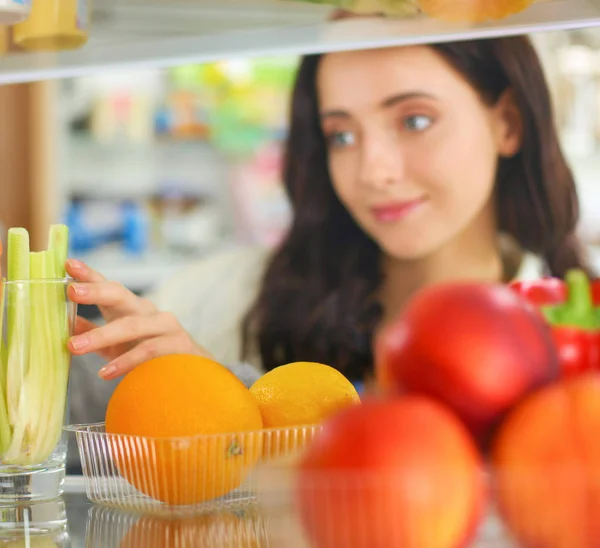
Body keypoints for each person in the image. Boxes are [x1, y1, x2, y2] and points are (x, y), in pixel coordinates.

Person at [67, 36, 590, 432]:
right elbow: (70, 414)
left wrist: (232, 405)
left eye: (414, 121)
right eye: (341, 135)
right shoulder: (229, 292)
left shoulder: (571, 338)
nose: (372, 172)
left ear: (509, 123)